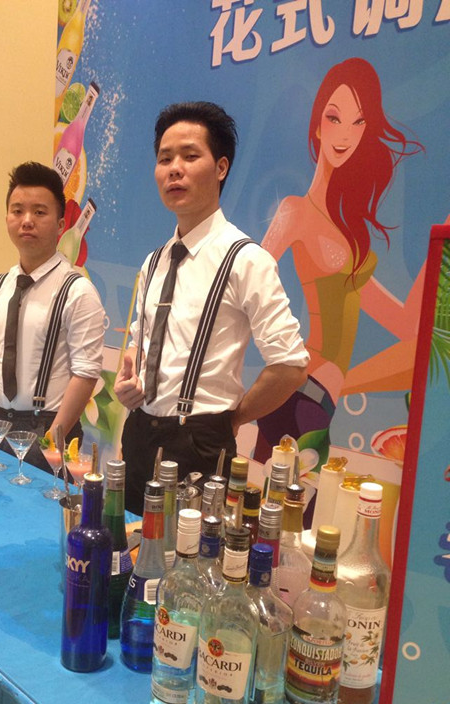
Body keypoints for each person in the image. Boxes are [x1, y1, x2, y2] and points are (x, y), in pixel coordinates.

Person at [115, 101, 309, 515]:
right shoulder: (154, 261)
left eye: (190, 156)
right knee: (127, 546)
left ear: (221, 167)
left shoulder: (246, 259)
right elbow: (140, 342)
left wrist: (233, 419)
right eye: (165, 159)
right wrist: (130, 377)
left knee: (189, 554)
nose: (174, 169)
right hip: (138, 434)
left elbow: (291, 366)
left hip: (199, 445)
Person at [257, 57, 426, 467]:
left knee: (292, 507)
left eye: (358, 122)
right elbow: (248, 284)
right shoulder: (295, 212)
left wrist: (440, 249)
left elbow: (407, 326)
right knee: (267, 503)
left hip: (318, 403)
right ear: (317, 124)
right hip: (298, 395)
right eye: (334, 118)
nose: (344, 134)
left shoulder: (351, 240)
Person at [0, 161, 105, 471]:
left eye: (40, 212)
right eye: (17, 211)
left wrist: (51, 442)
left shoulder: (77, 291)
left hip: (48, 429)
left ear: (60, 225)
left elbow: (85, 375)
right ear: (7, 218)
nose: (27, 221)